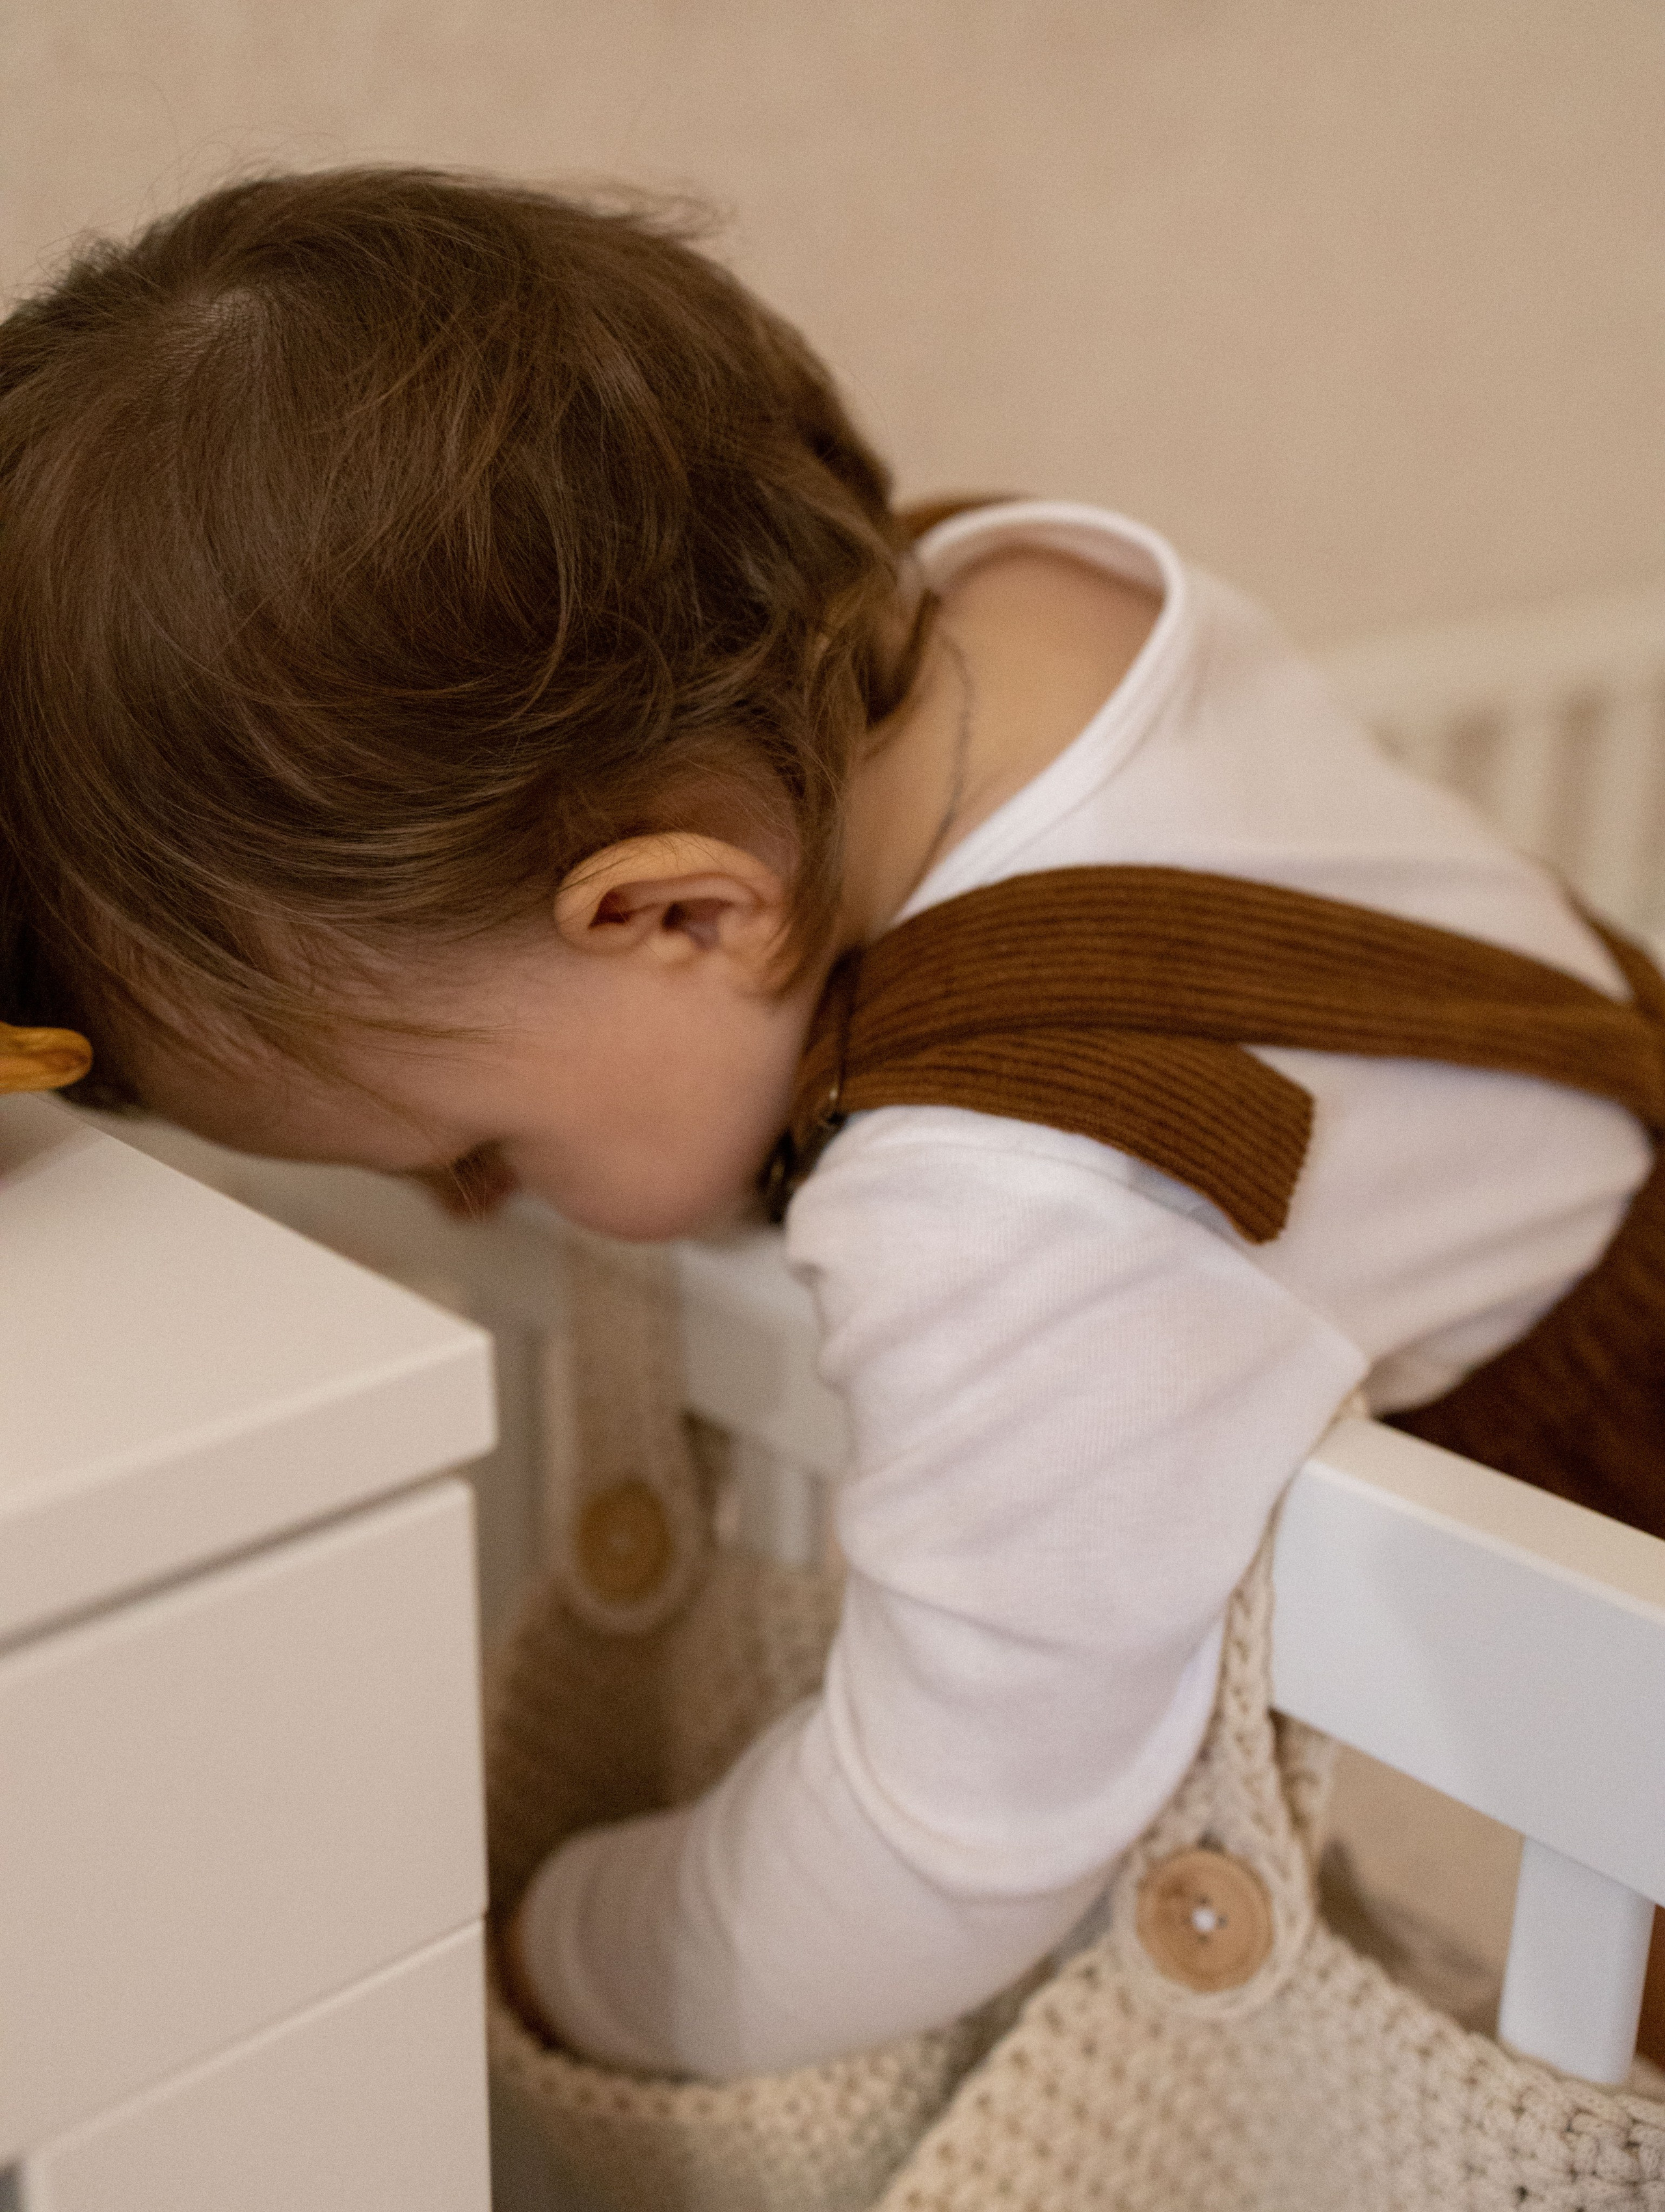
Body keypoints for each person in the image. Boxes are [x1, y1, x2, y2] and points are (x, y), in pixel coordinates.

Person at [0, 168, 1649, 2081]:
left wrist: (561, 1955)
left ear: (683, 914)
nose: (481, 1210)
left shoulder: (1013, 1199)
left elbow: (947, 1839)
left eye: (476, 1152)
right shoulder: (1036, 593)